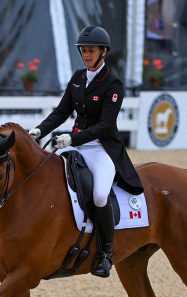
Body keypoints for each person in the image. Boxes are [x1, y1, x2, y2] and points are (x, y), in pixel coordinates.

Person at [29, 25, 144, 278]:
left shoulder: (113, 83)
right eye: (83, 50)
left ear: (104, 52)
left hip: (101, 148)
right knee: (45, 178)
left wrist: (73, 137)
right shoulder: (78, 77)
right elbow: (61, 112)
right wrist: (38, 130)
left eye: (91, 51)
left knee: (100, 195)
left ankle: (106, 253)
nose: (86, 55)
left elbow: (105, 125)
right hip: (74, 143)